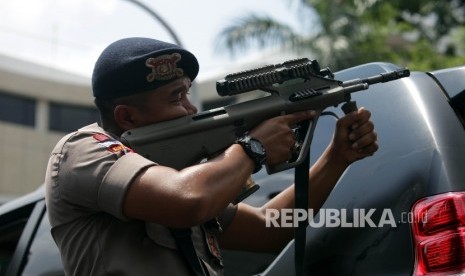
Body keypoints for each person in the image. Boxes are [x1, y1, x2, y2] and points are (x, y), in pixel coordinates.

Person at [45, 37, 378, 276]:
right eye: (176, 97)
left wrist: (336, 158)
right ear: (127, 117)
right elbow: (187, 200)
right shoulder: (82, 150)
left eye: (187, 93)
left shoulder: (178, 174)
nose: (191, 108)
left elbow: (268, 229)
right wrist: (253, 147)